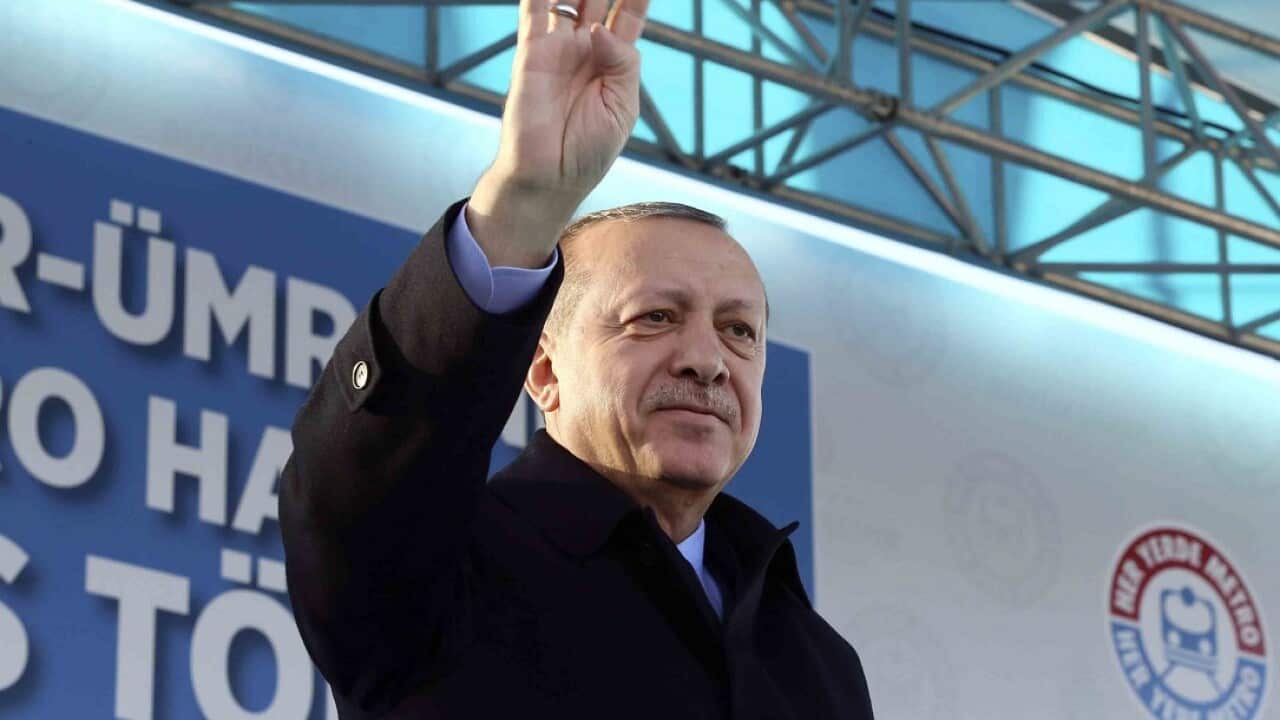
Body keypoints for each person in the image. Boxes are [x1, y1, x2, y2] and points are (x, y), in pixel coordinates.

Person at [280, 1, 874, 718]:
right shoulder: (448, 565)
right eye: (655, 318)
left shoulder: (816, 659)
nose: (708, 361)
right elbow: (352, 482)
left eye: (739, 331)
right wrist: (524, 205)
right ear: (544, 373)